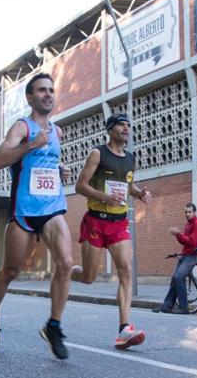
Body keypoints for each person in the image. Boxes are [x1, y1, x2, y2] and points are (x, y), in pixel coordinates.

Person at [0, 73, 73, 360]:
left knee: (66, 263)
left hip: (51, 208)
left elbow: (43, 166)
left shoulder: (57, 132)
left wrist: (59, 172)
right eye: (41, 91)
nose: (48, 94)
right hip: (23, 211)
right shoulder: (23, 127)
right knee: (11, 271)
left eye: (51, 90)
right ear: (30, 98)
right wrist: (30, 145)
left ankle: (54, 326)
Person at [71, 113, 151, 349]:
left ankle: (124, 329)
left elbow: (128, 185)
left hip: (118, 222)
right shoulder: (97, 153)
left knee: (126, 270)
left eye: (128, 125)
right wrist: (104, 196)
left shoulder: (130, 158)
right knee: (88, 276)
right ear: (110, 129)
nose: (126, 128)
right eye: (121, 125)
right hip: (96, 221)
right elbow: (80, 185)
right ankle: (65, 271)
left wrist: (140, 193)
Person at [153, 202, 197, 314]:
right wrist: (178, 235)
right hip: (186, 255)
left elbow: (191, 242)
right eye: (185, 212)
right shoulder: (187, 225)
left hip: (195, 255)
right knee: (174, 279)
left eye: (189, 212)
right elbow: (184, 242)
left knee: (179, 277)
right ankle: (167, 305)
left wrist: (178, 234)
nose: (187, 214)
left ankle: (184, 307)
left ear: (194, 212)